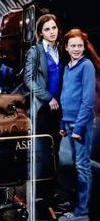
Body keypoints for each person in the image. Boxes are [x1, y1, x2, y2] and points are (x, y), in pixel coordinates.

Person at [23, 13, 64, 210]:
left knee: (54, 149)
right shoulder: (35, 52)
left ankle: (51, 190)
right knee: (41, 150)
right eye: (47, 29)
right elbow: (28, 80)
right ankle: (40, 193)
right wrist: (49, 97)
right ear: (40, 32)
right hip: (42, 109)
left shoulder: (61, 50)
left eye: (54, 28)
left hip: (59, 108)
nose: (51, 32)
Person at [58, 28, 100, 221]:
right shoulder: (68, 67)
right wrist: (62, 122)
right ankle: (77, 206)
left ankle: (82, 213)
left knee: (82, 167)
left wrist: (80, 127)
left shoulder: (87, 66)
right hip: (68, 122)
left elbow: (88, 100)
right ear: (66, 47)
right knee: (74, 166)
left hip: (79, 125)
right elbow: (65, 97)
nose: (76, 49)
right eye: (73, 46)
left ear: (84, 47)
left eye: (79, 46)